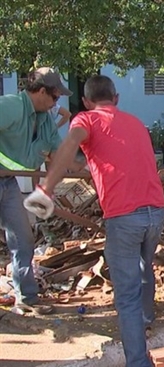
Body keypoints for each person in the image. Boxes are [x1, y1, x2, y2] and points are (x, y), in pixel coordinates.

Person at [24, 75, 164, 367]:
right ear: (115, 98)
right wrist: (83, 167)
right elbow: (111, 159)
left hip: (125, 218)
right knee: (145, 270)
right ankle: (144, 324)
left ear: (87, 102)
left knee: (126, 298)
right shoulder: (135, 123)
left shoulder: (86, 118)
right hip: (155, 212)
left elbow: (70, 144)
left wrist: (46, 189)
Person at [0, 67, 72, 315]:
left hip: (7, 183)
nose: (57, 101)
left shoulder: (44, 120)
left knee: (23, 238)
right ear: (41, 91)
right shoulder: (10, 106)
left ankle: (27, 298)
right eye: (55, 96)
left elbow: (58, 155)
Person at [32, 104, 73, 189]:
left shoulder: (49, 105)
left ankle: (49, 190)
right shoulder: (41, 104)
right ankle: (45, 191)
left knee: (45, 167)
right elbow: (67, 114)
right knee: (39, 167)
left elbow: (67, 114)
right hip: (41, 138)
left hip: (45, 139)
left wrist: (56, 126)